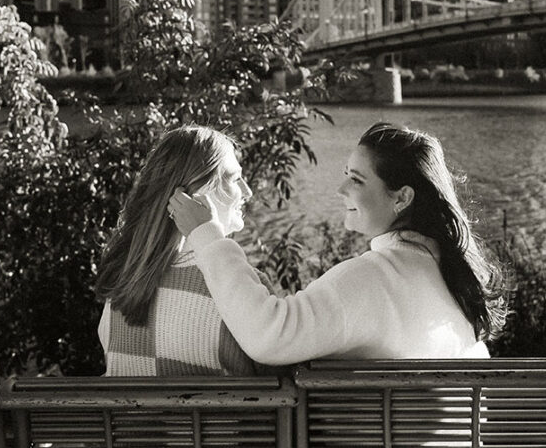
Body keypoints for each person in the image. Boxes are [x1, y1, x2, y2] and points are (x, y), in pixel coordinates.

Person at [169, 122, 506, 365]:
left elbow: (268, 336)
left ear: (401, 197)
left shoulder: (373, 280)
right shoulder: (454, 281)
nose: (340, 190)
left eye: (356, 180)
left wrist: (207, 236)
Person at [94, 125, 255, 375]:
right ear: (199, 193)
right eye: (235, 179)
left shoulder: (122, 284)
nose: (247, 191)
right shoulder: (238, 288)